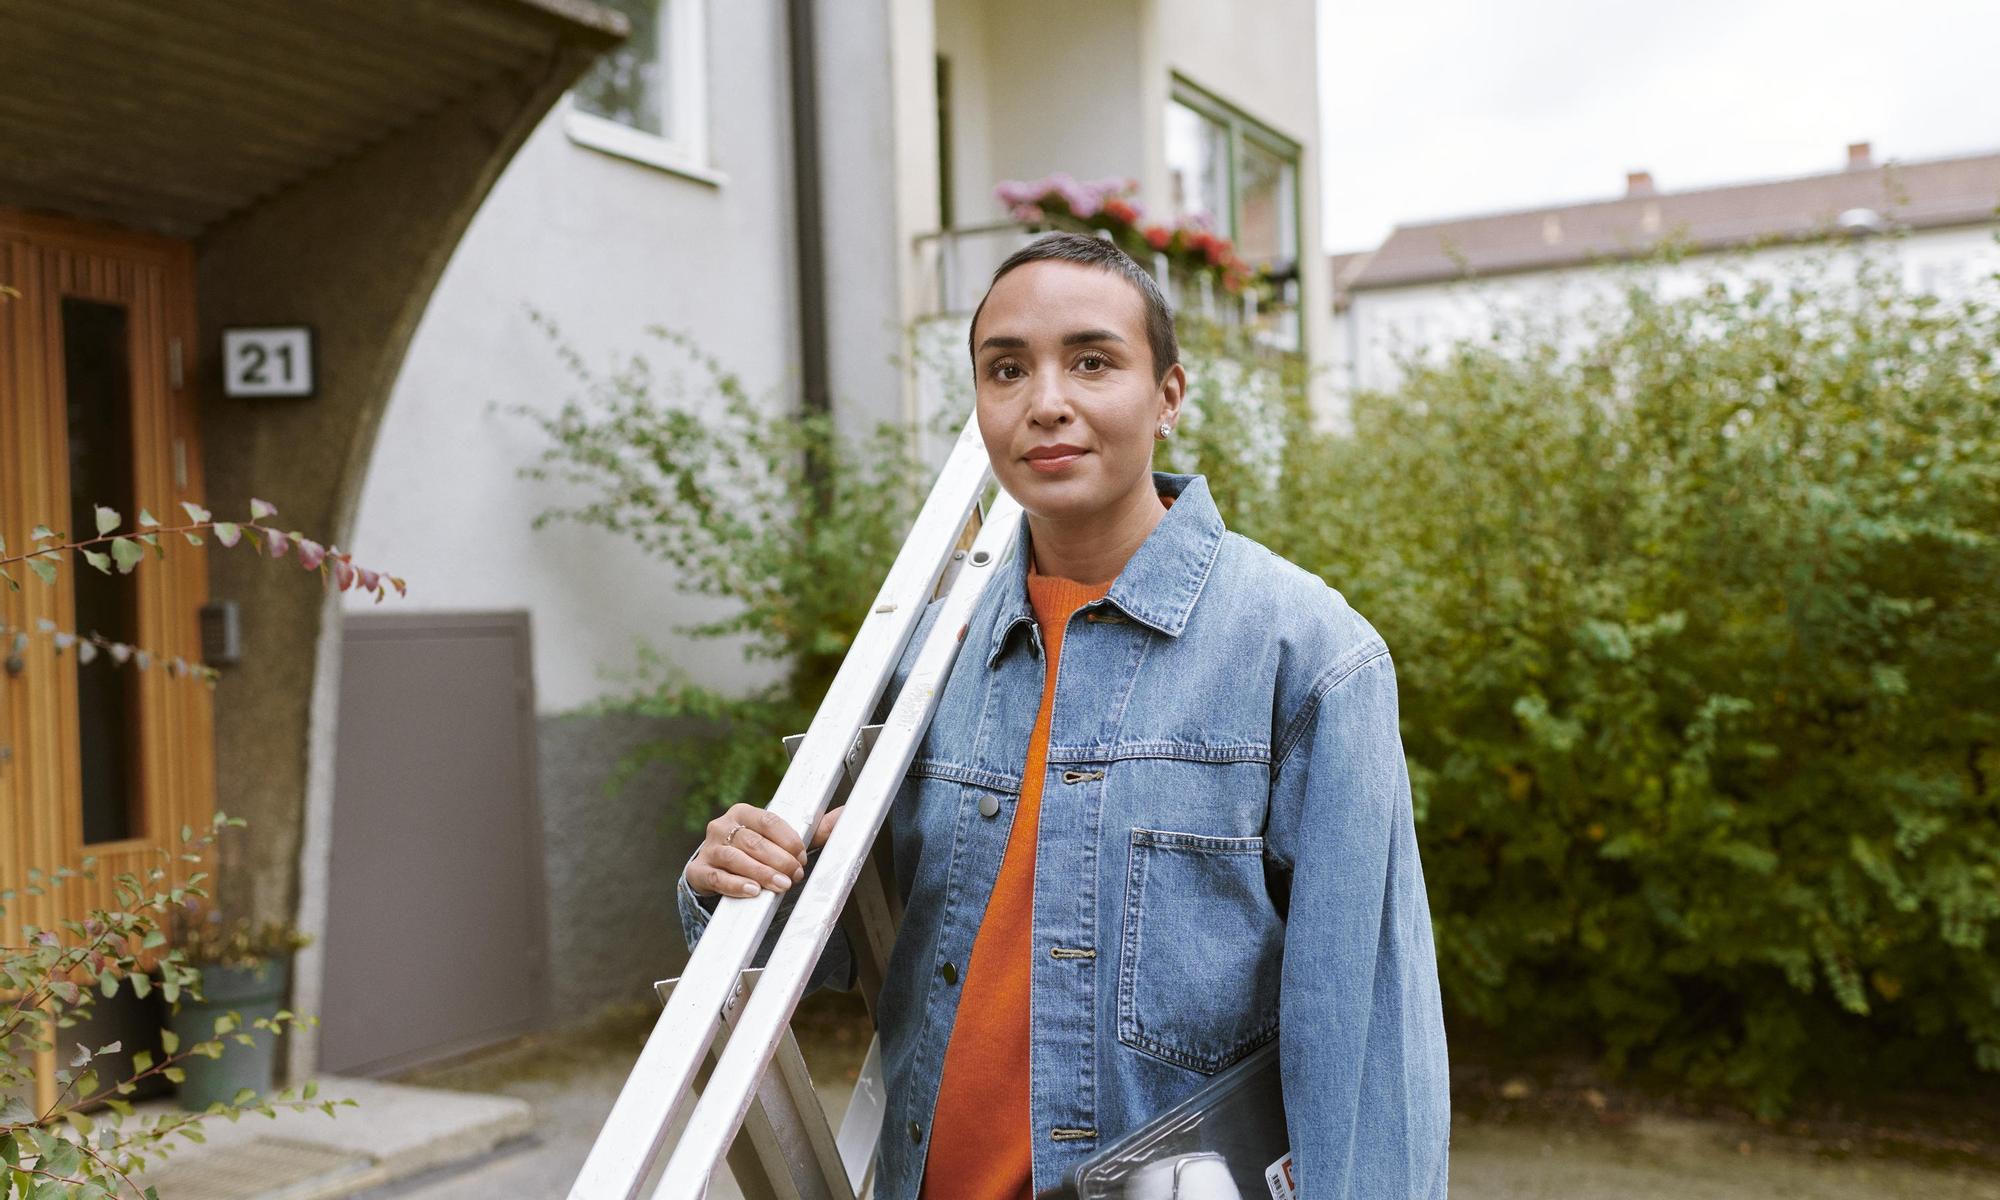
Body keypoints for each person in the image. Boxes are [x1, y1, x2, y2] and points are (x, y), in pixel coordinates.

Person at [679, 232, 1450, 1198]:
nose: (1046, 401)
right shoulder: (925, 660)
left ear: (1168, 395)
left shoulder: (1306, 654)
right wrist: (737, 879)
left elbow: (1368, 1043)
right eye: (1007, 369)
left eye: (1092, 361)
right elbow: (848, 944)